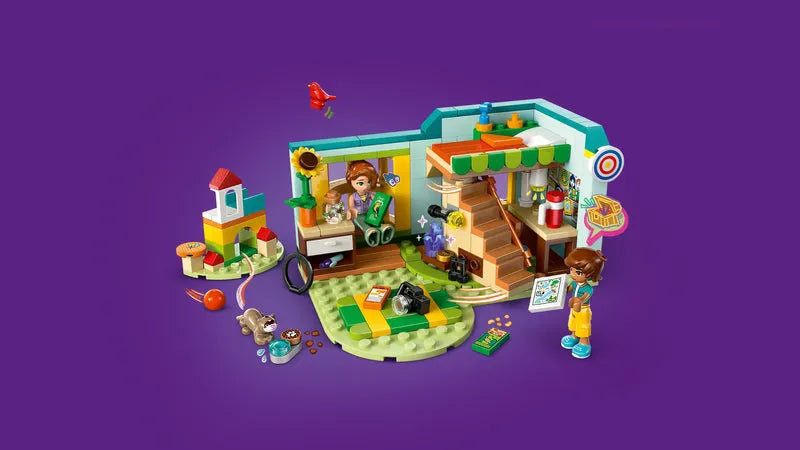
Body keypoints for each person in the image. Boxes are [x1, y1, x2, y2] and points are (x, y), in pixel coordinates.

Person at [560, 248, 606, 359]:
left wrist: (578, 300)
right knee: (573, 323)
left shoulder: (588, 289)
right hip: (574, 309)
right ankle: (574, 337)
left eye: (578, 272)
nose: (573, 274)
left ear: (589, 274)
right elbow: (568, 289)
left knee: (583, 326)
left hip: (583, 310)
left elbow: (584, 298)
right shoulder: (574, 283)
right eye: (571, 269)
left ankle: (584, 343)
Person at [345, 161, 393, 246]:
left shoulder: (369, 194)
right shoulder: (353, 197)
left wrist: (381, 200)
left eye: (369, 182)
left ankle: (382, 228)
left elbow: (377, 199)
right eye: (360, 183)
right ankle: (369, 232)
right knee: (362, 222)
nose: (366, 186)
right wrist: (351, 210)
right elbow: (351, 207)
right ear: (351, 182)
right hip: (358, 216)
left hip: (368, 213)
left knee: (374, 219)